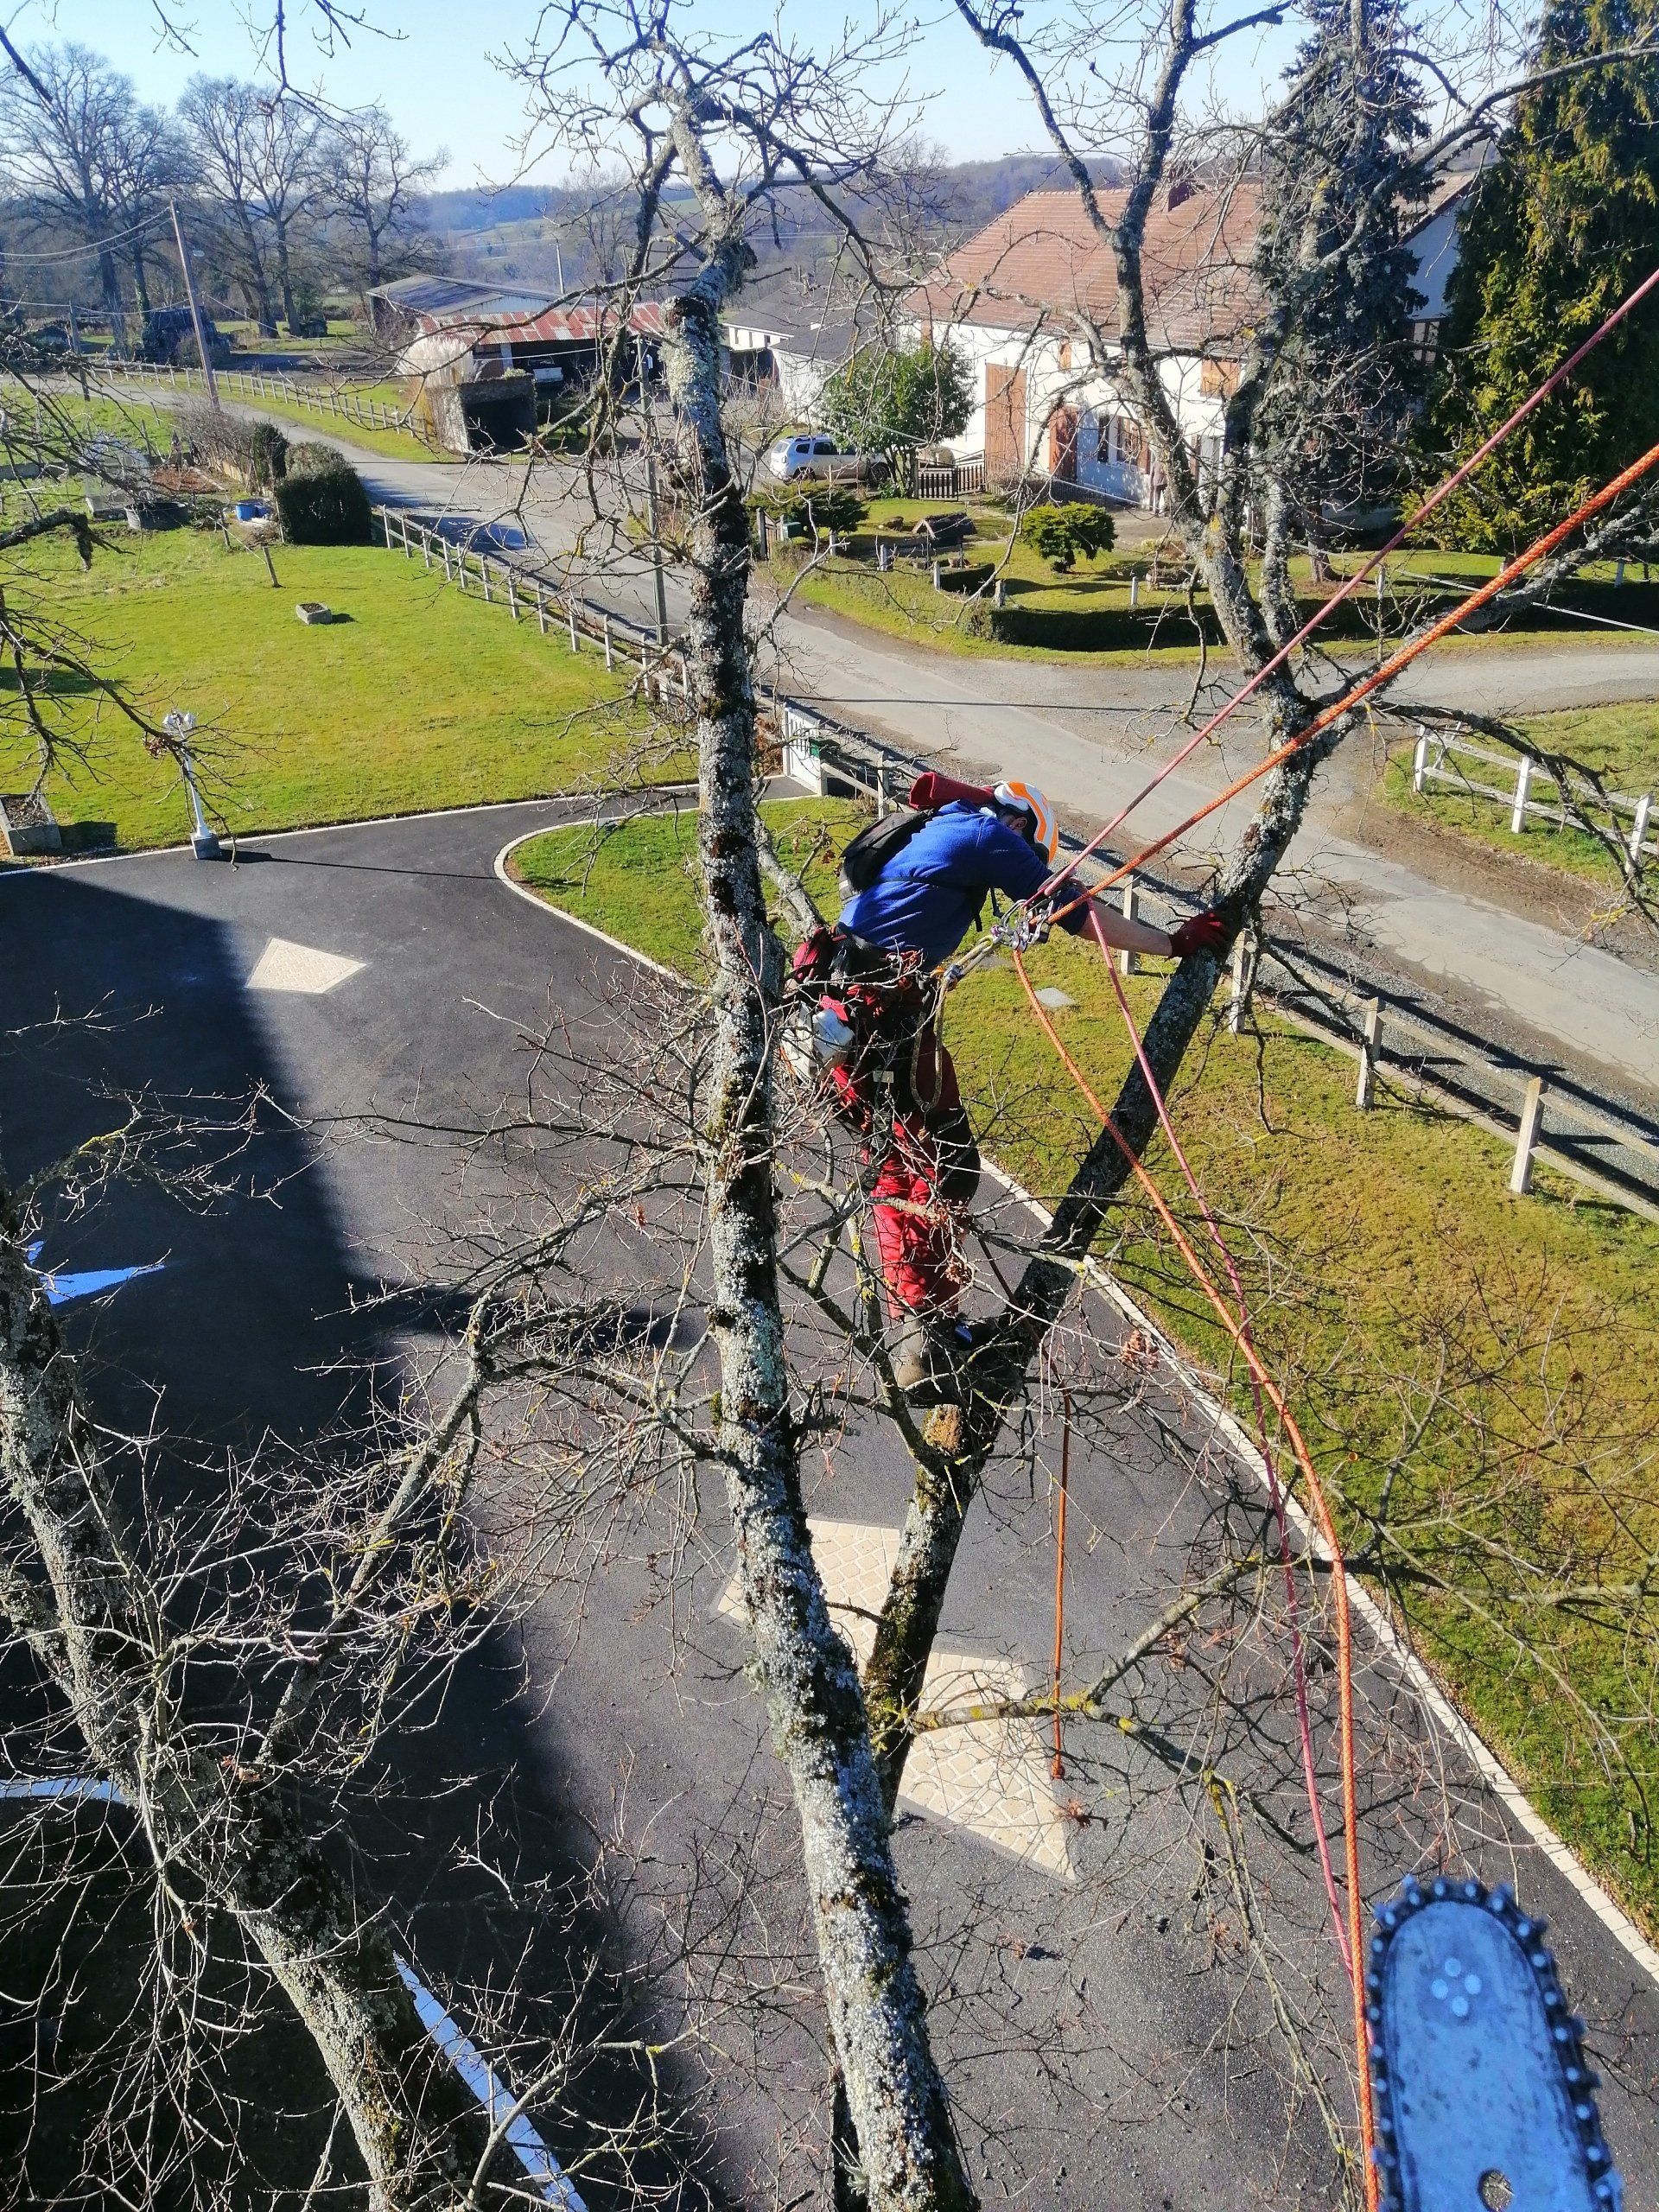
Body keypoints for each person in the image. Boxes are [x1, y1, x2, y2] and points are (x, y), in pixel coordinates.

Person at [790, 772, 1228, 1395]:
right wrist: (1171, 942)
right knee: (941, 1171)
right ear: (1022, 826)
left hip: (854, 1014)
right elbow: (1075, 912)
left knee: (904, 1171)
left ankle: (930, 1336)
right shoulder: (983, 831)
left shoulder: (940, 828)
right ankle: (926, 1344)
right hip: (873, 1019)